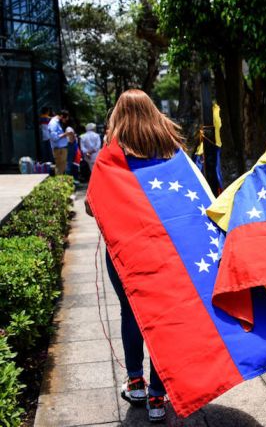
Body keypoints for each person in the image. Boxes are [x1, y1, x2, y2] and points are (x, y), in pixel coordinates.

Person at [86, 89, 183, 423]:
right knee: (161, 319)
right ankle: (159, 397)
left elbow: (90, 205)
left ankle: (136, 382)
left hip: (125, 251)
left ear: (119, 116)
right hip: (166, 249)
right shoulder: (172, 151)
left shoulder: (111, 157)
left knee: (132, 312)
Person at [48, 109, 70, 174]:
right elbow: (54, 137)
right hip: (59, 149)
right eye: (65, 119)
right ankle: (59, 182)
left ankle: (60, 181)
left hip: (61, 148)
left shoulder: (57, 123)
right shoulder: (53, 123)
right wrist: (65, 134)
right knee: (60, 168)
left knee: (62, 167)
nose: (65, 121)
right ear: (61, 116)